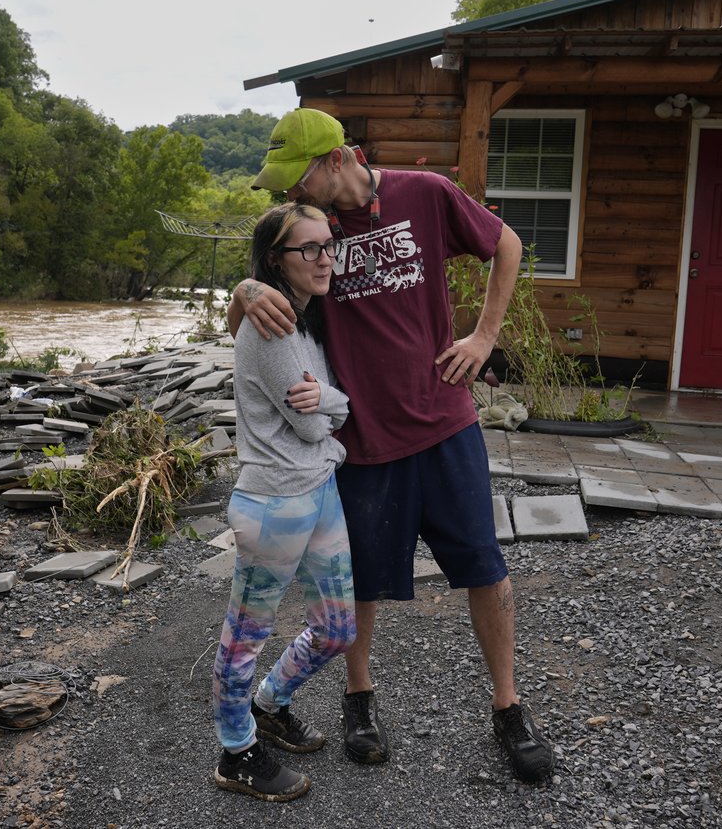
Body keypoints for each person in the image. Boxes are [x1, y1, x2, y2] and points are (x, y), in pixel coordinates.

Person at [227, 108, 554, 785]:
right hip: (363, 437)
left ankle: (509, 706)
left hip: (445, 422)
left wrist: (485, 336)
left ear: (339, 159)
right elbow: (249, 296)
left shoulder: (424, 193)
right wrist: (246, 286)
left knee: (485, 565)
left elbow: (508, 243)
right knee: (365, 579)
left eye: (300, 178)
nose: (293, 194)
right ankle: (359, 699)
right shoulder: (311, 234)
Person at [211, 202, 357, 802]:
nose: (325, 258)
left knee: (338, 629)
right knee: (244, 636)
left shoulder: (306, 317)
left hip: (318, 491)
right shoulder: (270, 325)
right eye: (309, 249)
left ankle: (271, 703)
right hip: (273, 502)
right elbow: (312, 425)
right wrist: (338, 405)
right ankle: (236, 750)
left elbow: (322, 410)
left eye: (329, 245)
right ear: (277, 259)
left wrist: (329, 401)